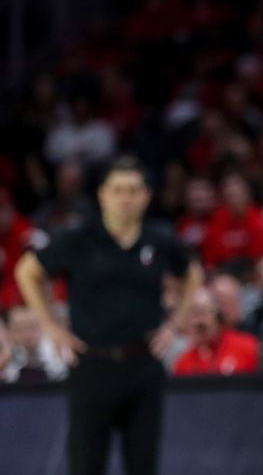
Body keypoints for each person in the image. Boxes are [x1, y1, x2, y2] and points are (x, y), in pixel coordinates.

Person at [15, 156, 202, 475]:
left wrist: (174, 325)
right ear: (103, 194)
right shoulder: (80, 239)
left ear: (146, 196)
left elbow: (192, 274)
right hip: (91, 364)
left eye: (133, 190)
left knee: (143, 464)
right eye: (117, 190)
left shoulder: (158, 241)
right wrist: (52, 326)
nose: (125, 197)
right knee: (86, 464)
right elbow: (27, 270)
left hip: (143, 364)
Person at [173, 287, 259, 376]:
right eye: (192, 315)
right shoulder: (183, 363)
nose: (198, 322)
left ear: (217, 315)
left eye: (202, 312)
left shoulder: (247, 346)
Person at [1, 305, 68, 383]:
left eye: (32, 327)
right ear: (9, 331)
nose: (27, 335)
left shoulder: (62, 354)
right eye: (20, 329)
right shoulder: (4, 359)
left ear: (43, 327)